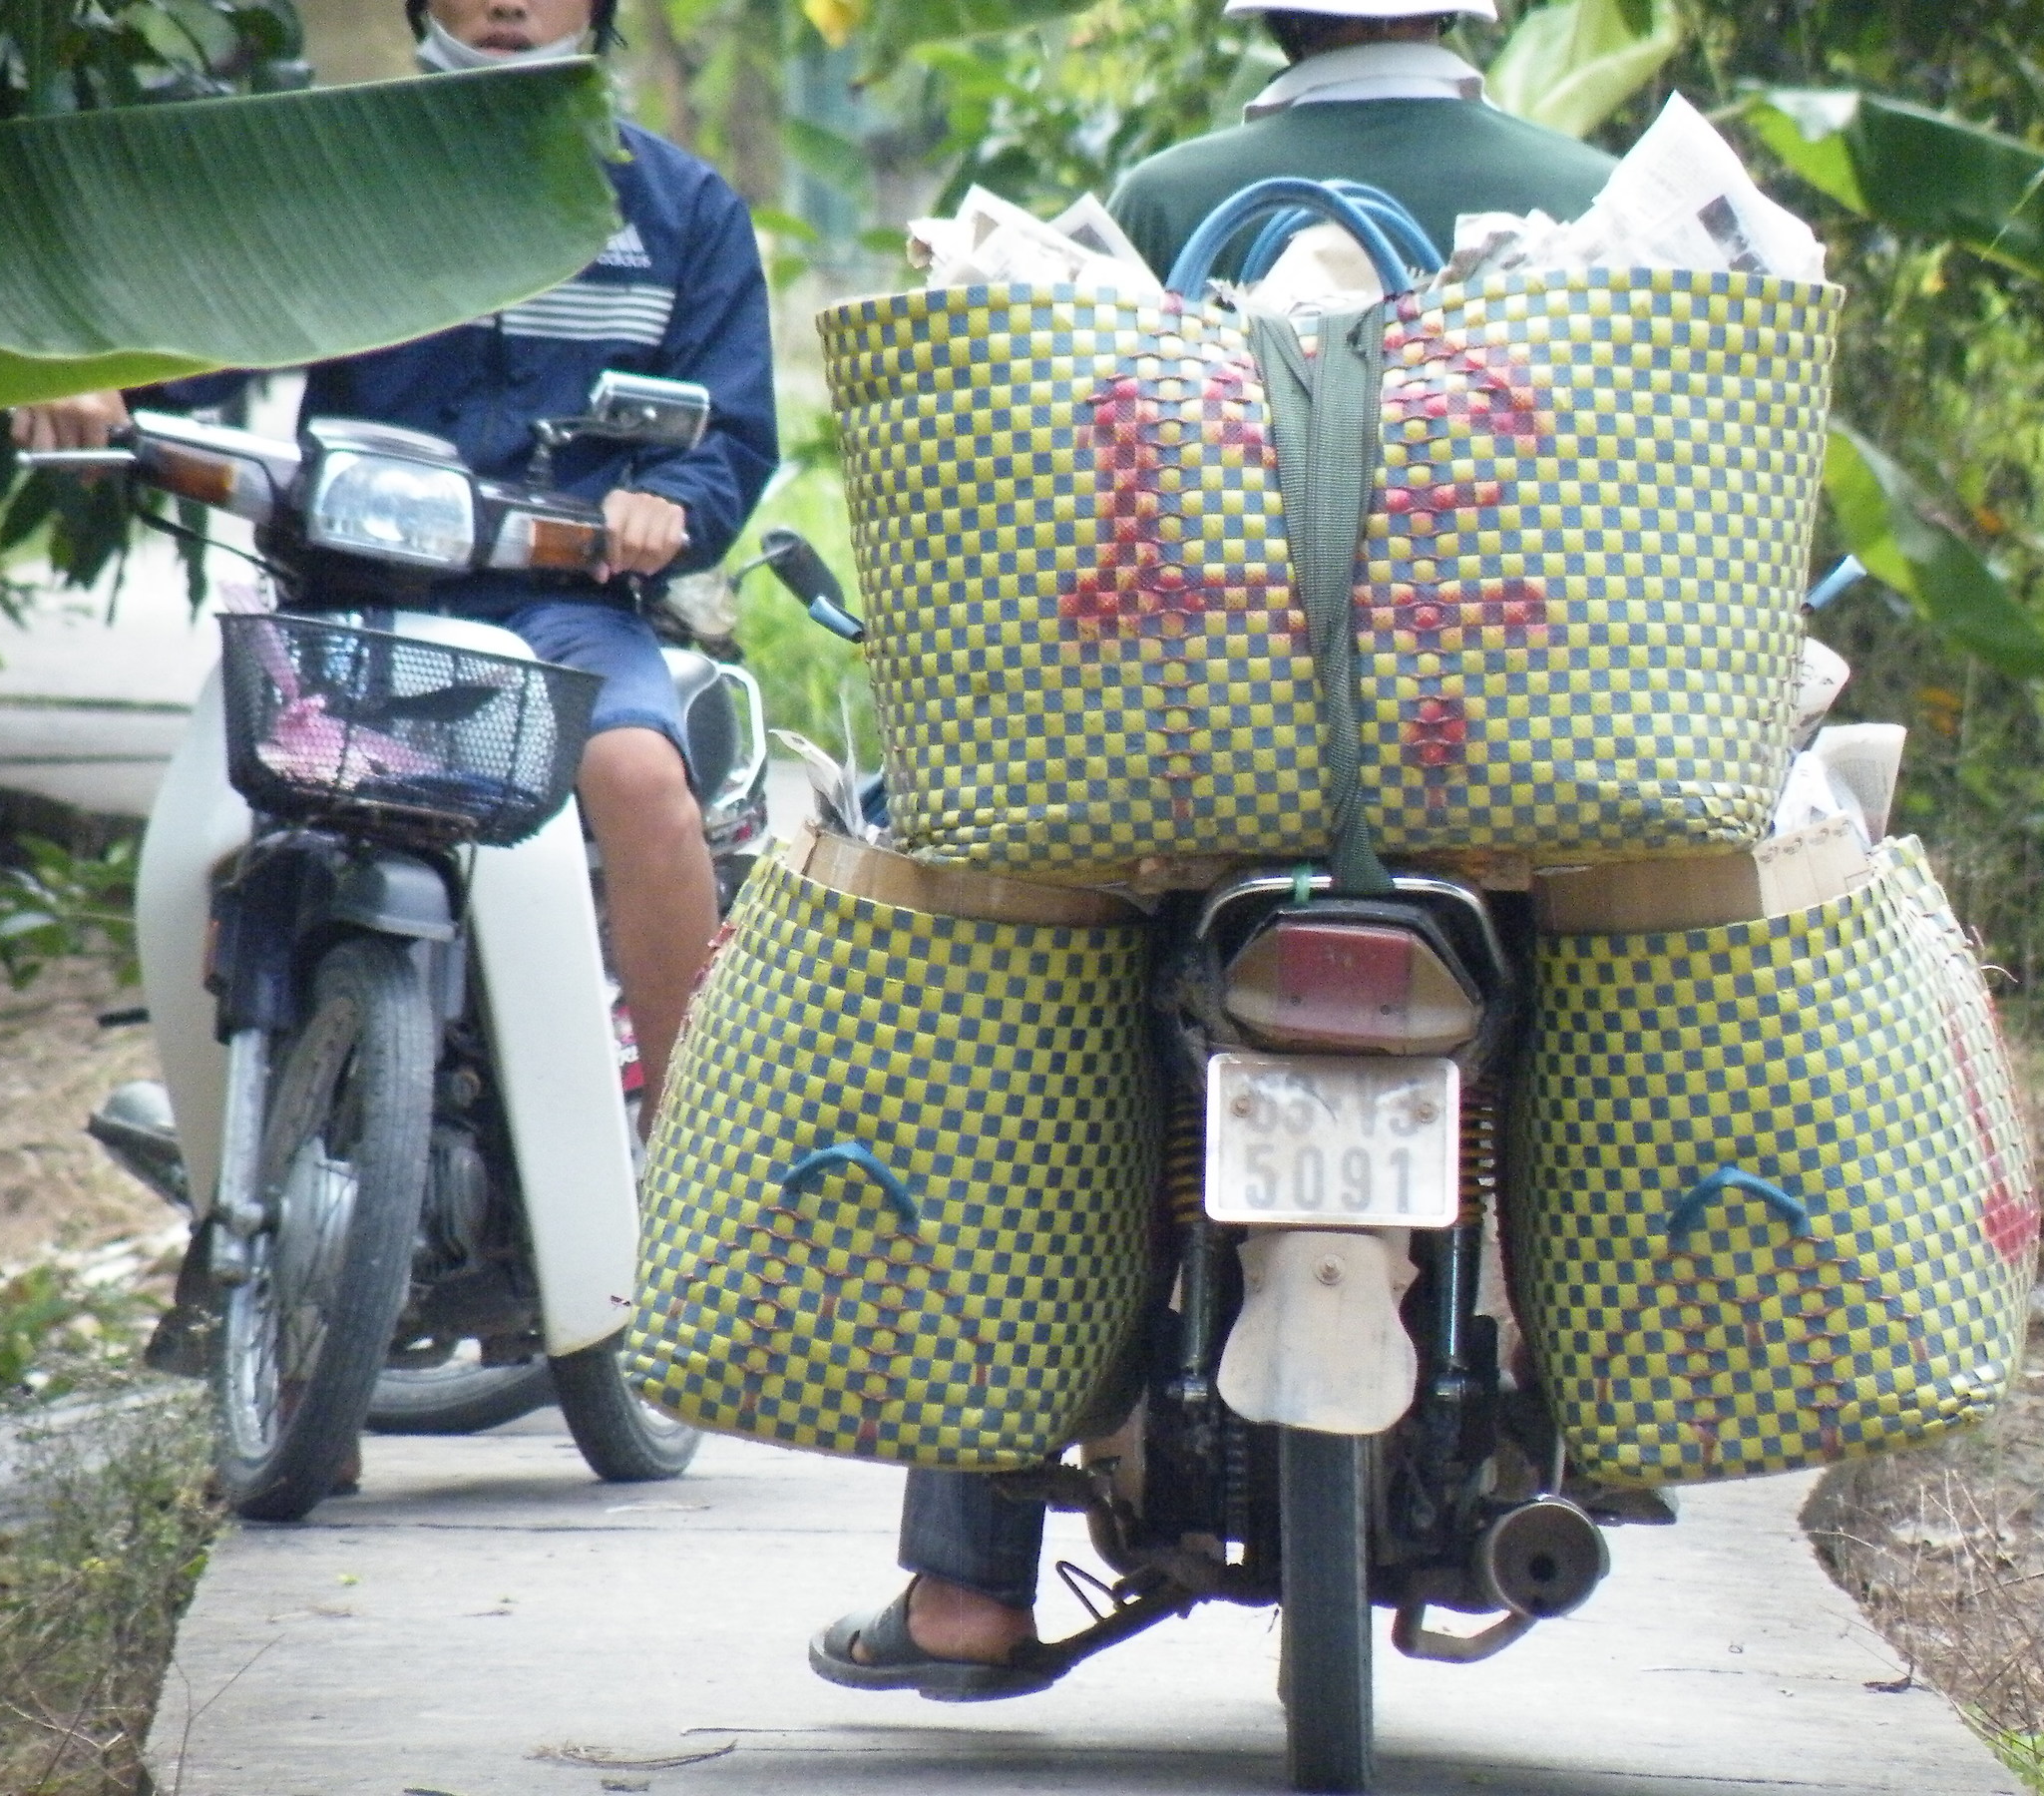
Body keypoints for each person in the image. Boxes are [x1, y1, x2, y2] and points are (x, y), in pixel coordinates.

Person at [808, 0, 1613, 1702]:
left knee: (1015, 1077)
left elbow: (1062, 465)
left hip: (1191, 795)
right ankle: (1605, 1429)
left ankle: (966, 1593)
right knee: (1614, 1042)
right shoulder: (1587, 195)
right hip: (1509, 804)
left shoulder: (1174, 197)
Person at [11, 0, 779, 1124]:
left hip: (563, 608)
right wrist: (100, 381)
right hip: (349, 598)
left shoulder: (681, 206)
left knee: (646, 785)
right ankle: (220, 1128)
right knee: (218, 835)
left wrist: (667, 499)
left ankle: (695, 1147)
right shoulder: (341, 176)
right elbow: (201, 329)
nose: (508, 3)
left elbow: (731, 431)